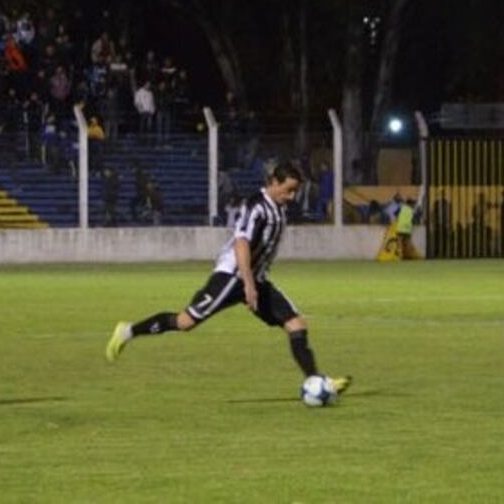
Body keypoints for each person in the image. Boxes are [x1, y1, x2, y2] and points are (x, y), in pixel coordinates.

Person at [105, 164, 351, 396]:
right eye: (288, 190)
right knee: (185, 322)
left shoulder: (278, 207)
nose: (292, 196)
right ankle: (128, 331)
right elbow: (241, 243)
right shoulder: (257, 206)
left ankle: (315, 380)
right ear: (273, 182)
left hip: (254, 278)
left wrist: (254, 281)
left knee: (296, 324)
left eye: (295, 191)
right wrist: (248, 283)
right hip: (232, 277)